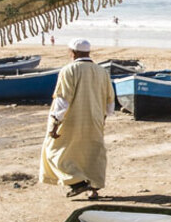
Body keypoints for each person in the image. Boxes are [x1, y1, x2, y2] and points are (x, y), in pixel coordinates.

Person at [39, 38, 116, 199]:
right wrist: (103, 119)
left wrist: (54, 124)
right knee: (91, 154)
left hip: (71, 121)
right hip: (95, 119)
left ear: (72, 53)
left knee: (52, 151)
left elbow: (62, 100)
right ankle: (93, 189)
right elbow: (110, 101)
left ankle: (77, 183)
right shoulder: (102, 71)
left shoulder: (69, 70)